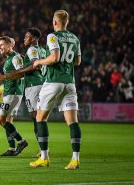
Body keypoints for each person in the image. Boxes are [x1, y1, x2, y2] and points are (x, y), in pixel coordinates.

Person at [29, 10, 82, 170]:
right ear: (67, 22)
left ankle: (44, 157)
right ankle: (75, 159)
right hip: (69, 82)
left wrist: (39, 62)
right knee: (73, 121)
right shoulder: (75, 38)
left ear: (54, 22)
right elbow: (78, 61)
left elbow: (54, 58)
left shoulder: (52, 36)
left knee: (40, 118)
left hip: (53, 82)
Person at [5, 27, 46, 156]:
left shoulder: (32, 49)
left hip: (33, 86)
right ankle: (43, 149)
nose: (24, 38)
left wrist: (18, 71)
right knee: (40, 118)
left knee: (36, 118)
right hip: (43, 84)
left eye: (27, 36)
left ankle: (43, 150)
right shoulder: (43, 50)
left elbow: (34, 65)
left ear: (33, 38)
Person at [0, 36, 28, 156]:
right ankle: (12, 148)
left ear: (10, 45)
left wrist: (4, 77)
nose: (0, 47)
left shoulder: (16, 57)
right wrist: (5, 89)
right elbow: (12, 76)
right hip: (10, 92)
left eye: (2, 44)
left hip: (14, 93)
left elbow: (21, 74)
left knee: (1, 120)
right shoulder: (9, 59)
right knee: (8, 121)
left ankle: (21, 141)